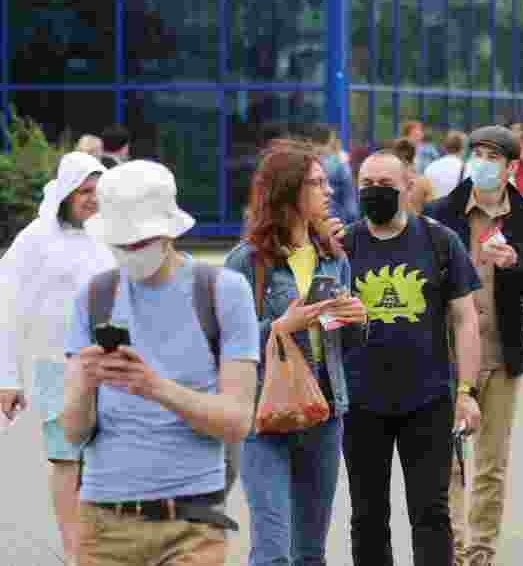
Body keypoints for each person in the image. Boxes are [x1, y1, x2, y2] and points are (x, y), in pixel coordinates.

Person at [64, 160, 259, 566]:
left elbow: (238, 421)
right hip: (104, 524)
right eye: (122, 244)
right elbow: (73, 432)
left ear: (170, 230)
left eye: (141, 242)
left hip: (192, 524)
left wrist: (155, 387)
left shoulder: (222, 291)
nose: (131, 253)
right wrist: (83, 384)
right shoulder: (93, 296)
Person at [224, 140, 369, 566]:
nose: (328, 191)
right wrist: (280, 328)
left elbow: (343, 342)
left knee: (310, 552)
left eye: (327, 181)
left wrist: (357, 320)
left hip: (324, 410)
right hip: (263, 414)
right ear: (287, 191)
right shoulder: (246, 262)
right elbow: (223, 344)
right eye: (316, 183)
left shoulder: (332, 257)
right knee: (272, 552)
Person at [340, 149, 483, 566]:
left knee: (432, 514)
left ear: (407, 187)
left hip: (429, 401)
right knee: (367, 516)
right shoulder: (343, 245)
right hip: (361, 402)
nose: (375, 192)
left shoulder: (440, 242)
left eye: (385, 185)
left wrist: (467, 391)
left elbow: (465, 320)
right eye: (367, 184)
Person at [424, 126, 523, 566]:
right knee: (448, 461)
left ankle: (480, 552)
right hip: (448, 356)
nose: (482, 162)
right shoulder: (441, 214)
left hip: (501, 354)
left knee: (491, 463)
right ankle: (453, 548)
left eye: (492, 156)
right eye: (476, 154)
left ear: (512, 167)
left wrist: (514, 263)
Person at [0, 152, 115, 564]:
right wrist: (7, 377)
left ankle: (100, 544)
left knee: (103, 457)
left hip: (107, 363)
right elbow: (6, 306)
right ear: (66, 192)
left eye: (96, 191)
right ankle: (73, 551)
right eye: (84, 191)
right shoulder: (36, 238)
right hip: (56, 365)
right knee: (65, 459)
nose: (91, 199)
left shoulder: (104, 233)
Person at [391, 138, 435, 215]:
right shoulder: (424, 182)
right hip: (417, 224)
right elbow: (432, 211)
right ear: (414, 156)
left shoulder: (386, 182)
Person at [426, 131, 469, 200]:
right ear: (462, 149)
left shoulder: (431, 167)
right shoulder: (467, 169)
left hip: (434, 208)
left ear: (444, 147)